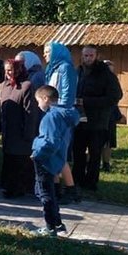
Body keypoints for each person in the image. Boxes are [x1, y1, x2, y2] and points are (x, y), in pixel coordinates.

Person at [30, 85, 80, 237]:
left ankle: (50, 227)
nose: (38, 105)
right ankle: (57, 223)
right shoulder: (63, 114)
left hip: (45, 159)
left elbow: (50, 141)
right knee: (48, 192)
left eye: (38, 101)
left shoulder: (50, 117)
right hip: (57, 158)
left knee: (44, 193)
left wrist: (37, 154)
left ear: (46, 99)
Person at [73, 45, 123, 191]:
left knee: (95, 153)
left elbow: (115, 96)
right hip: (80, 119)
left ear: (97, 56)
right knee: (78, 152)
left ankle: (91, 183)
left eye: (90, 55)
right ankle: (77, 180)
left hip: (98, 120)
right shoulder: (79, 71)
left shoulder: (105, 73)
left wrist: (89, 102)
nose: (88, 58)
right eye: (85, 56)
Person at [0, 59, 39, 198]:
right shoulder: (3, 85)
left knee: (19, 160)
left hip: (20, 130)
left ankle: (19, 189)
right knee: (8, 159)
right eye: (6, 70)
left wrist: (28, 133)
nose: (8, 73)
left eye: (11, 70)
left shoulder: (26, 86)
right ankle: (8, 187)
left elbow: (30, 112)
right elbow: (1, 107)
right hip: (8, 129)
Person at [43, 41, 80, 204]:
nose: (44, 55)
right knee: (52, 152)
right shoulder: (53, 68)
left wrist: (58, 114)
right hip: (51, 113)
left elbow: (67, 94)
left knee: (60, 153)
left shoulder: (65, 68)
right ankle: (56, 189)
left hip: (60, 116)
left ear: (57, 52)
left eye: (47, 52)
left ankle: (71, 190)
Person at [101, 60, 122, 172]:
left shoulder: (114, 81)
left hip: (110, 113)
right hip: (98, 113)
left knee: (108, 141)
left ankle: (106, 163)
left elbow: (118, 96)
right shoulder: (97, 79)